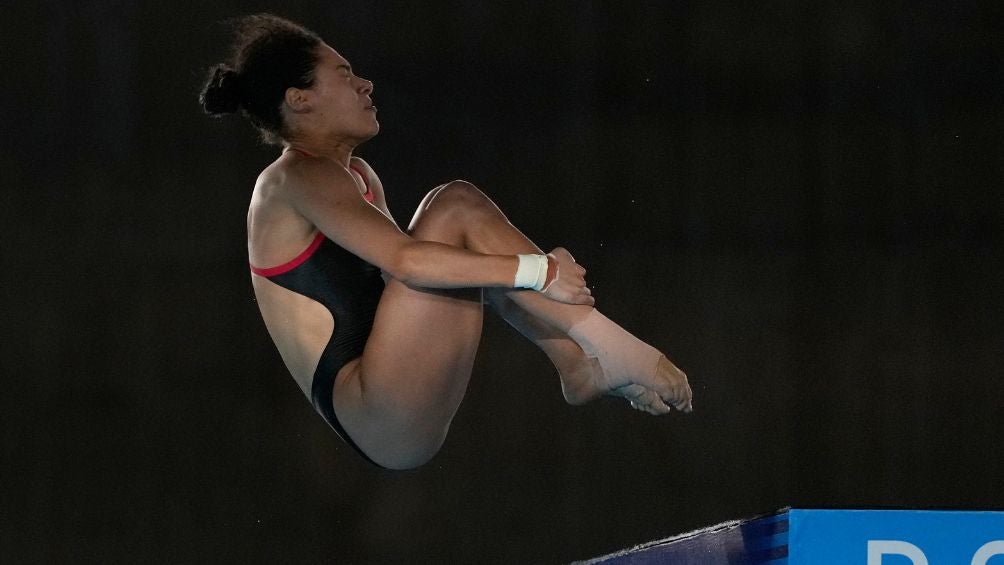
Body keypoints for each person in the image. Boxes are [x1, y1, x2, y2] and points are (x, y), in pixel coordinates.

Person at [199, 14, 693, 470]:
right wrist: (540, 271)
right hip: (376, 410)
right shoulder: (291, 179)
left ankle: (578, 364)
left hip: (391, 405)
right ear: (300, 98)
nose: (365, 84)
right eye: (344, 73)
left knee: (459, 231)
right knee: (454, 206)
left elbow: (421, 273)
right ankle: (604, 342)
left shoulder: (356, 176)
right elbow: (408, 262)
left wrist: (521, 265)